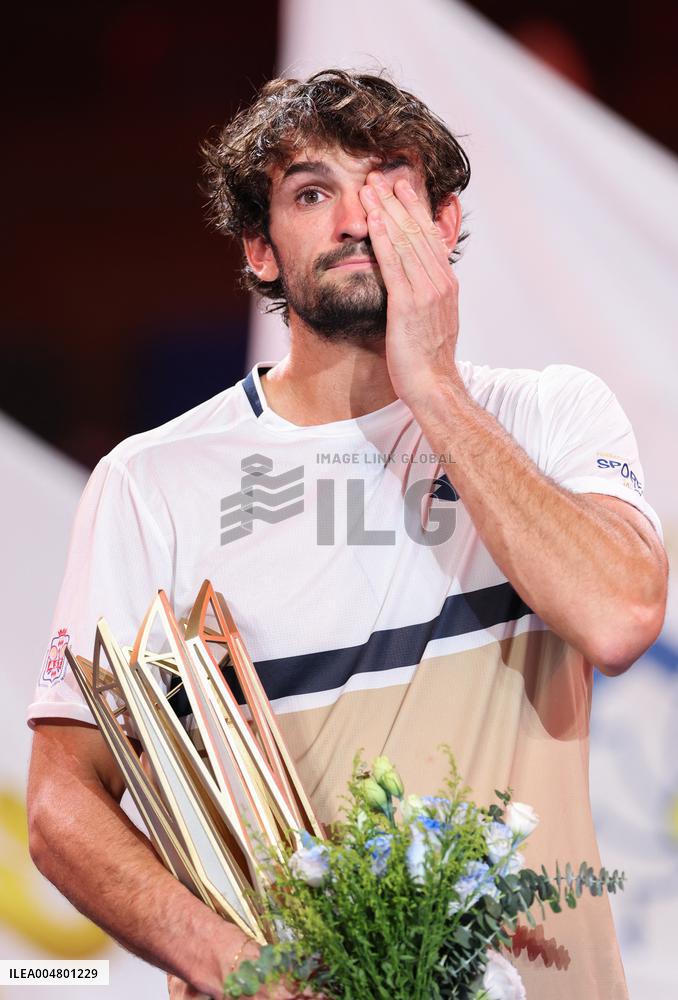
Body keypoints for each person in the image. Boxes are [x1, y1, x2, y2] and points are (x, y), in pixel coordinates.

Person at [26, 69, 667, 999]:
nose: (358, 219)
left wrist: (434, 386)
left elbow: (618, 618)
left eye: (390, 184)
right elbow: (58, 804)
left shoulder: (552, 415)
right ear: (260, 252)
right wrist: (235, 966)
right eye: (314, 192)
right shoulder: (152, 481)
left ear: (444, 224)